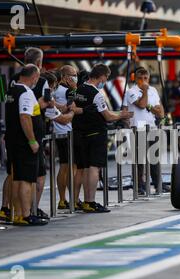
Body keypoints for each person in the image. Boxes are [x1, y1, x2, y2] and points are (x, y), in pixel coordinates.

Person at [0, 47, 50, 223]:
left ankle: (19, 214)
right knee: (27, 179)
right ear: (34, 76)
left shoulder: (12, 90)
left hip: (12, 139)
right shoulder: (26, 92)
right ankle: (26, 215)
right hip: (24, 142)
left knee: (18, 177)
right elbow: (25, 118)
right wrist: (33, 140)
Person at [72, 63, 133, 213]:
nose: (105, 80)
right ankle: (90, 201)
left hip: (80, 133)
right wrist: (122, 114)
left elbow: (74, 108)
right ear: (101, 77)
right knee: (94, 168)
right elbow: (107, 116)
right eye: (106, 77)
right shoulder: (96, 94)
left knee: (84, 168)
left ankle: (81, 201)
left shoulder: (78, 89)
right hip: (95, 134)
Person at [125, 67, 167, 195]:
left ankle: (158, 185)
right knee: (140, 160)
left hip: (152, 126)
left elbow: (160, 110)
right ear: (135, 79)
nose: (143, 81)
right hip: (138, 127)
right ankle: (139, 186)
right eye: (140, 78)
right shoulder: (131, 91)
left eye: (145, 78)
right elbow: (142, 105)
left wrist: (158, 113)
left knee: (154, 158)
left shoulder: (153, 90)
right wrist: (144, 92)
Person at [53, 65, 78, 210]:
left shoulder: (55, 89)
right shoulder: (69, 90)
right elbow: (73, 106)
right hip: (67, 131)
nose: (75, 78)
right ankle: (71, 198)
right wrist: (75, 88)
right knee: (70, 167)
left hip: (58, 131)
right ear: (65, 76)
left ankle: (63, 199)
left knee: (64, 166)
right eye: (73, 75)